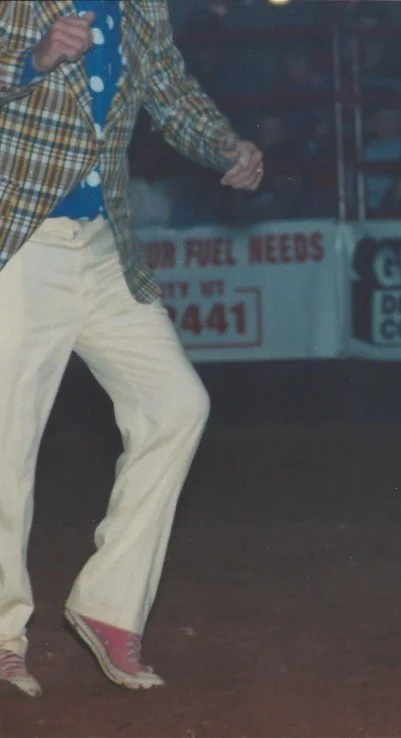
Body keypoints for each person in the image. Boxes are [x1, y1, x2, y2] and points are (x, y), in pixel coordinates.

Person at [0, 1, 263, 697]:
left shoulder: (143, 5)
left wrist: (227, 145)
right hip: (20, 244)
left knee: (176, 405)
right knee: (6, 441)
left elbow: (170, 90)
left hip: (103, 244)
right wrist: (32, 60)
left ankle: (108, 605)